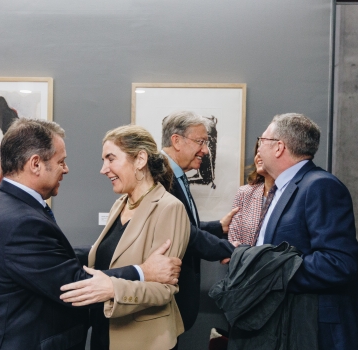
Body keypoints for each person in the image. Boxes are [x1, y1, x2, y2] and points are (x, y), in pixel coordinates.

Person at [0, 118, 182, 350]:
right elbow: (72, 285)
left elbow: (49, 258)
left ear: (140, 159)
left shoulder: (9, 204)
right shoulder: (20, 220)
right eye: (61, 161)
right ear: (35, 164)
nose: (66, 169)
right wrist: (143, 272)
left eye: (111, 159)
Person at [61, 125, 189, 350]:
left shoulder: (170, 208)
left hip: (142, 341)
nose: (103, 169)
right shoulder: (120, 205)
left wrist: (113, 289)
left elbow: (164, 290)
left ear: (140, 159)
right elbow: (108, 258)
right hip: (104, 331)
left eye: (111, 159)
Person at [256, 113, 358, 349]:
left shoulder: (320, 185)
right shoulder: (285, 187)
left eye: (262, 140)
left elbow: (338, 263)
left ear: (279, 147)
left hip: (315, 330)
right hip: (289, 321)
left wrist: (271, 272)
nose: (258, 147)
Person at [160, 111, 239, 333]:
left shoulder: (174, 174)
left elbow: (180, 225)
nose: (205, 150)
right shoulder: (160, 177)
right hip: (167, 295)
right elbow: (180, 234)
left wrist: (218, 227)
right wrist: (234, 251)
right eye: (200, 142)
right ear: (176, 141)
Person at [227, 140, 276, 245]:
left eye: (263, 150)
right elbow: (234, 241)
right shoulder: (245, 193)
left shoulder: (291, 193)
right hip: (245, 260)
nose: (258, 155)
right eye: (257, 150)